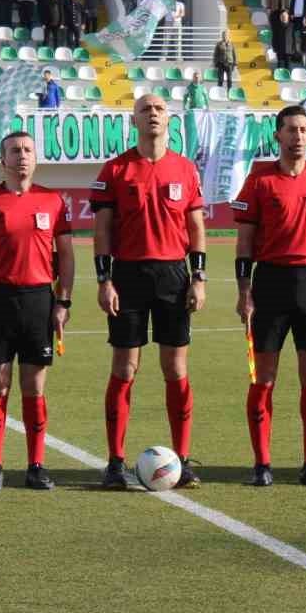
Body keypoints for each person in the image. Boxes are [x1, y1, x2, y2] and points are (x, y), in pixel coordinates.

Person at [91, 93, 206, 489]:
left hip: (174, 276)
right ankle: (114, 462)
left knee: (176, 369)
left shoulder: (185, 169)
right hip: (128, 277)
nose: (152, 114)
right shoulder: (115, 170)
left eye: (158, 109)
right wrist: (104, 279)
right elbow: (102, 230)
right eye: (145, 109)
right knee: (125, 368)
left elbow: (195, 228)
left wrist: (199, 277)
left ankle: (184, 458)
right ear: (134, 120)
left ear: (168, 119)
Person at [233, 106, 306, 487]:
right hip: (269, 284)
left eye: (304, 130)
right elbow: (244, 242)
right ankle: (262, 464)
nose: (298, 136)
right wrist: (244, 291)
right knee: (263, 377)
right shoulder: (259, 181)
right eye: (291, 130)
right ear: (277, 136)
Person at [0, 131, 74, 490]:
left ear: (35, 158)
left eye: (28, 150)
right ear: (3, 160)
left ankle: (35, 466)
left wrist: (63, 301)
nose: (22, 155)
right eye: (14, 150)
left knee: (34, 386)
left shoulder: (53, 201)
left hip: (39, 299)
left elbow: (67, 254)